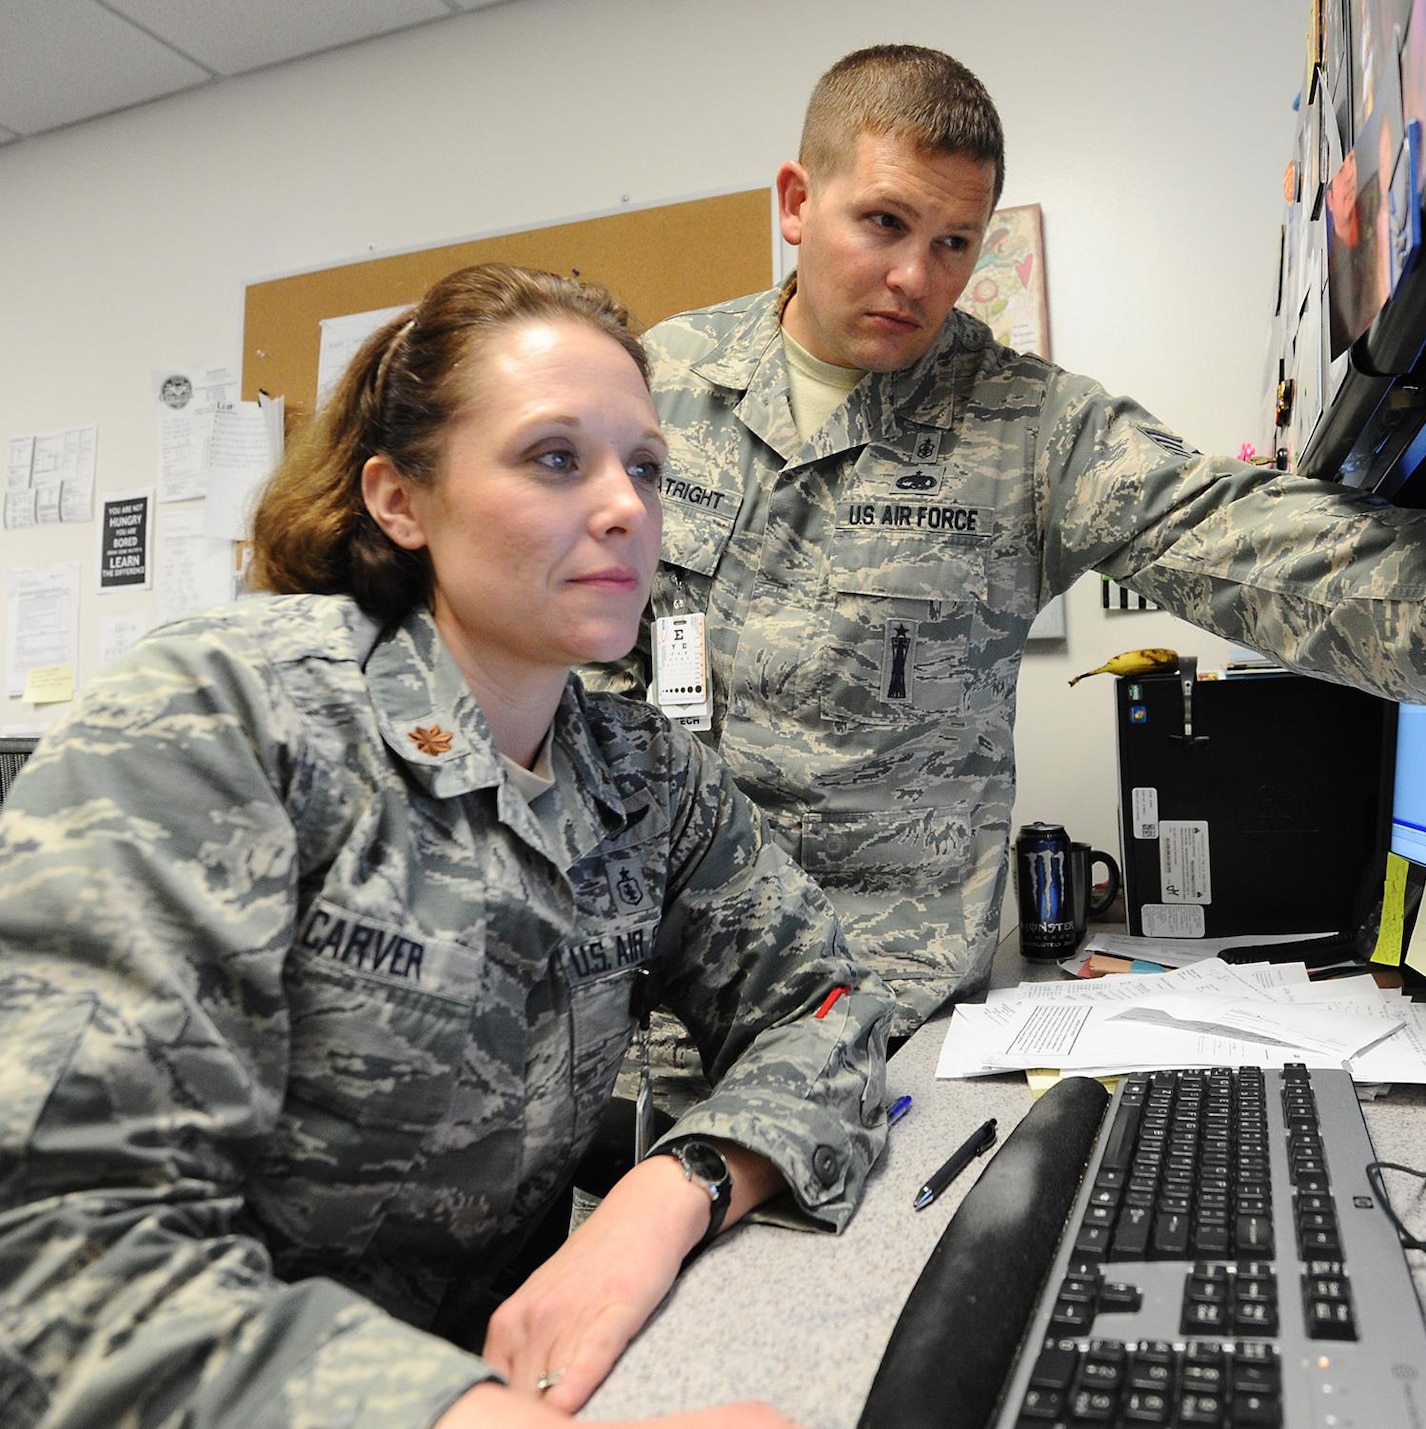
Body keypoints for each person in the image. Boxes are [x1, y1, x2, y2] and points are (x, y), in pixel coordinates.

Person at [591, 44, 1426, 1044]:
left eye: (953, 242)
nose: (916, 278)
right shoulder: (653, 388)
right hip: (633, 1006)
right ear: (797, 200)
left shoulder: (1027, 426)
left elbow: (1249, 543)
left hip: (871, 1017)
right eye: (882, 224)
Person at [0, 263, 890, 1428]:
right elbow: (57, 1245)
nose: (626, 505)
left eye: (648, 467)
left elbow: (823, 1003)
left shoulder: (644, 773)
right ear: (398, 500)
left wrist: (671, 1191)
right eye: (556, 458)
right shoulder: (226, 714)